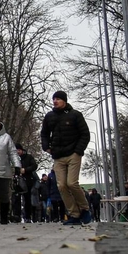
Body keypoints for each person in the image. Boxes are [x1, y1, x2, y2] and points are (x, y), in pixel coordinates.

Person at [40, 90, 92, 225]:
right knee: (61, 185)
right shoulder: (49, 116)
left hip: (73, 154)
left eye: (58, 99)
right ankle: (74, 214)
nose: (55, 101)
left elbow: (85, 134)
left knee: (72, 183)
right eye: (54, 99)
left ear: (64, 100)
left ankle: (85, 209)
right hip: (58, 156)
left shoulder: (75, 115)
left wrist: (78, 150)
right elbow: (44, 133)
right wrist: (46, 147)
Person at [16, 144, 38, 223]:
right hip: (17, 180)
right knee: (16, 198)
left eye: (19, 150)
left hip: (27, 180)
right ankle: (16, 216)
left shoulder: (29, 157)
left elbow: (34, 166)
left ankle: (28, 216)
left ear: (22, 150)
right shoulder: (14, 158)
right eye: (16, 150)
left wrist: (25, 169)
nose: (18, 152)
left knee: (27, 199)